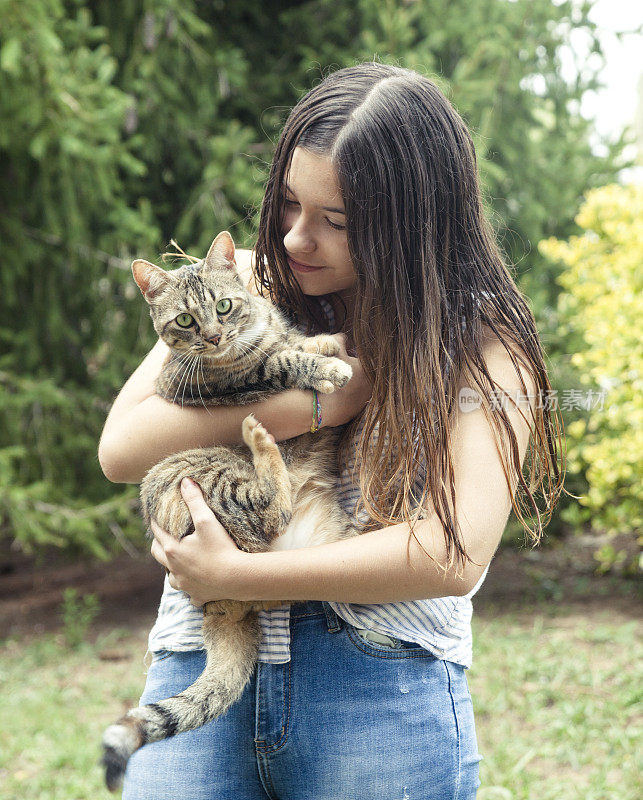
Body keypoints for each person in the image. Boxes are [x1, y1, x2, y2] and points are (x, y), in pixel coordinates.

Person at [98, 62, 563, 800]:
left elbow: (454, 552)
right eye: (286, 204)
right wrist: (313, 407)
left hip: (376, 677)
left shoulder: (478, 335)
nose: (295, 238)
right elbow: (121, 450)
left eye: (336, 222)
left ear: (414, 224)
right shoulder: (238, 285)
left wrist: (240, 576)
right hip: (203, 654)